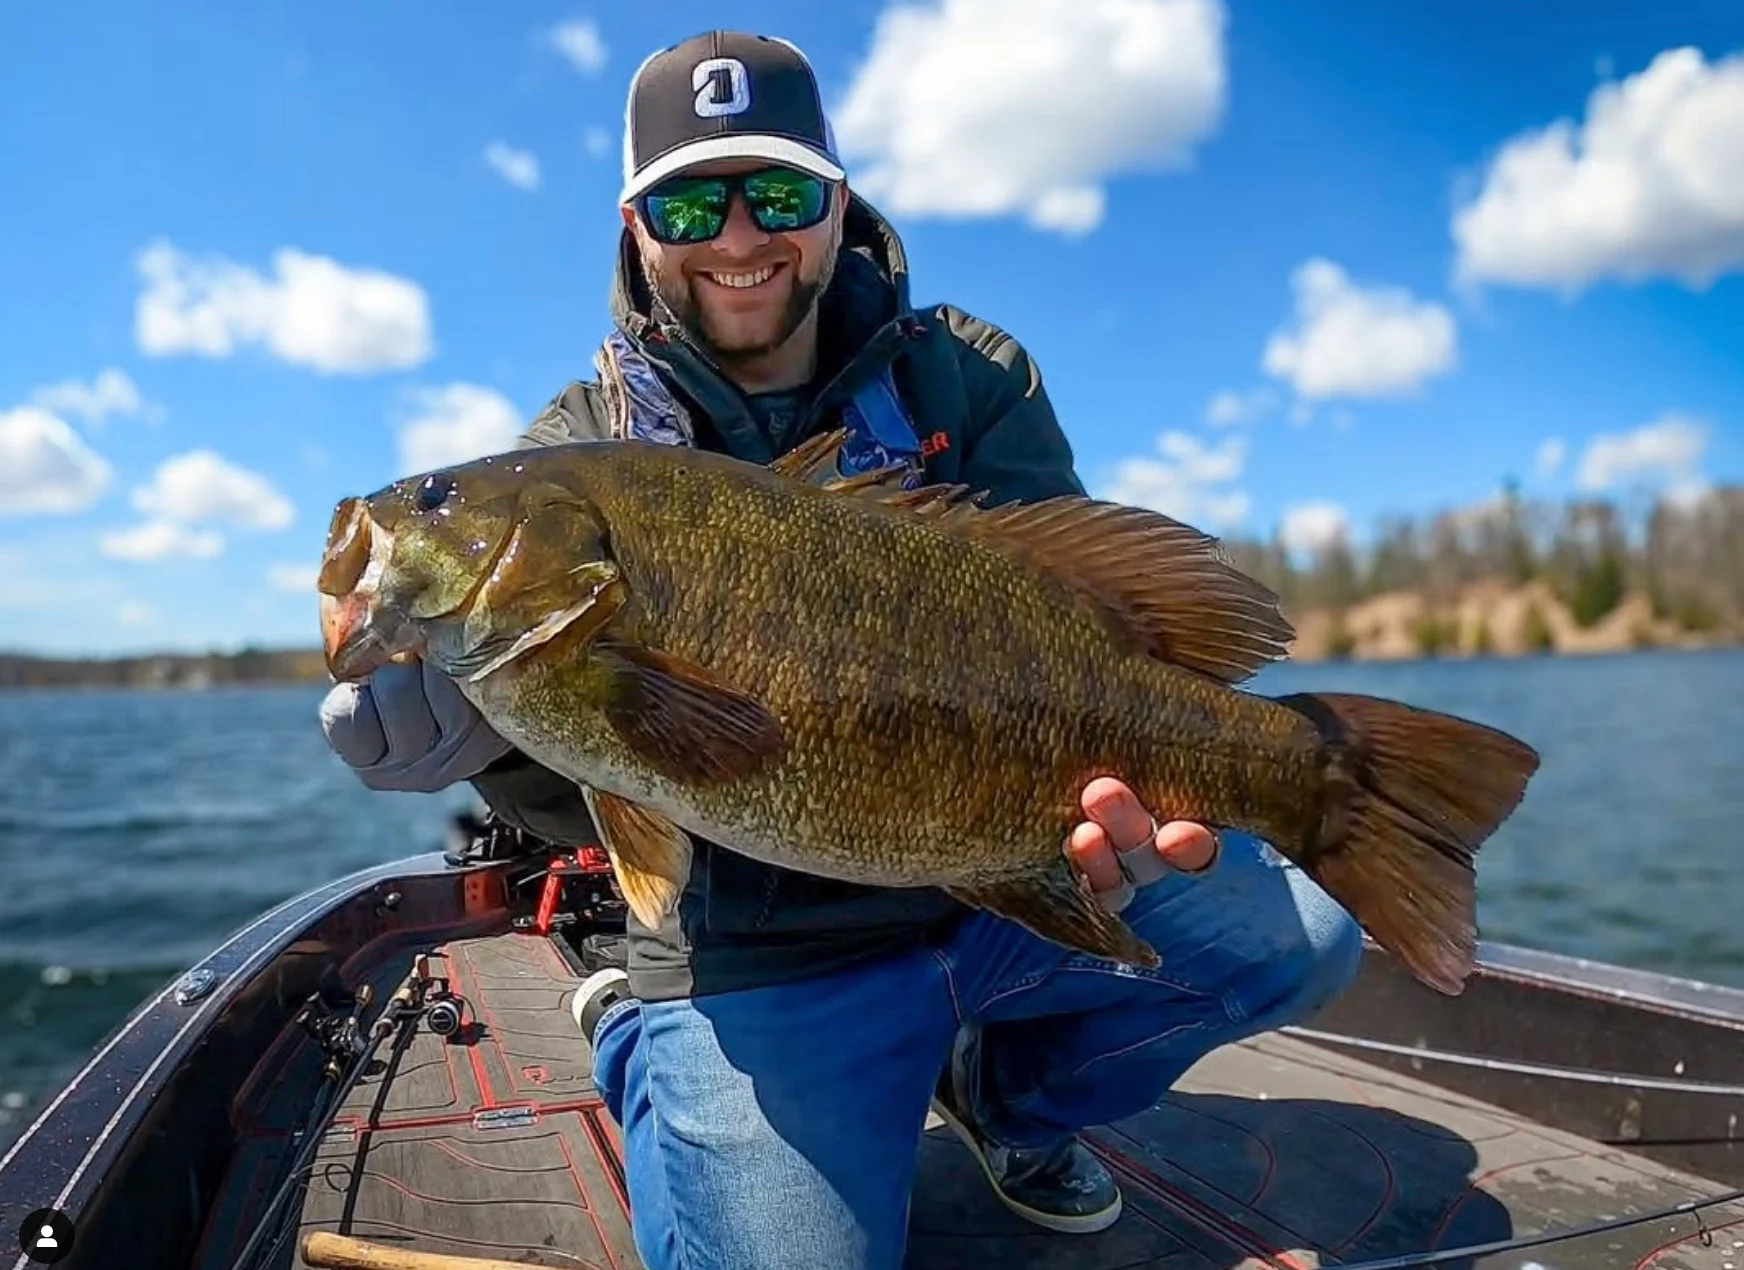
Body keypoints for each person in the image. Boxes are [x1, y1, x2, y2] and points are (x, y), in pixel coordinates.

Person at [320, 29, 1364, 1270]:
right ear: (636, 227)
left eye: (779, 193)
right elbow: (615, 782)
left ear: (837, 202)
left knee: (1298, 935)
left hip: (984, 876)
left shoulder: (965, 379)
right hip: (758, 952)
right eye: (691, 199)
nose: (740, 236)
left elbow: (1080, 618)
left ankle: (1004, 1097)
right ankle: (635, 1022)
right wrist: (485, 748)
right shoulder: (582, 442)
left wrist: (1120, 815)